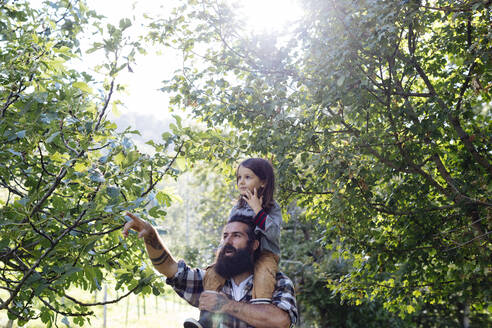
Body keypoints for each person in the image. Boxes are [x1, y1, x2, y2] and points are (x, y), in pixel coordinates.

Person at [122, 212, 297, 328]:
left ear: (254, 245)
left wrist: (226, 305)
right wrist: (151, 235)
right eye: (225, 236)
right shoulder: (211, 279)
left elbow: (280, 320)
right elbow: (170, 268)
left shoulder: (278, 281)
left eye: (237, 236)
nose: (228, 242)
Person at [187, 158, 284, 327]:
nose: (241, 182)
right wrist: (222, 252)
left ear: (263, 182)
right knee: (213, 272)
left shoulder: (272, 207)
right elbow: (229, 233)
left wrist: (257, 209)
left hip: (265, 254)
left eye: (248, 177)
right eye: (239, 177)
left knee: (264, 275)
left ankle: (258, 319)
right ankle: (206, 320)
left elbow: (274, 235)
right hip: (240, 253)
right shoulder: (236, 208)